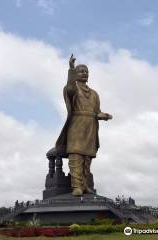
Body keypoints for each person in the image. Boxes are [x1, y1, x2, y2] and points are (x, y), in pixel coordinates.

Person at [56, 54, 112, 196]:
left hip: (91, 126)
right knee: (76, 155)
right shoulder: (74, 88)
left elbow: (97, 111)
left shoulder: (94, 94)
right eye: (81, 71)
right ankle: (76, 186)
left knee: (87, 158)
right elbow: (69, 88)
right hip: (76, 124)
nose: (85, 73)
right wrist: (71, 70)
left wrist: (103, 115)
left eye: (86, 71)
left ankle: (85, 185)